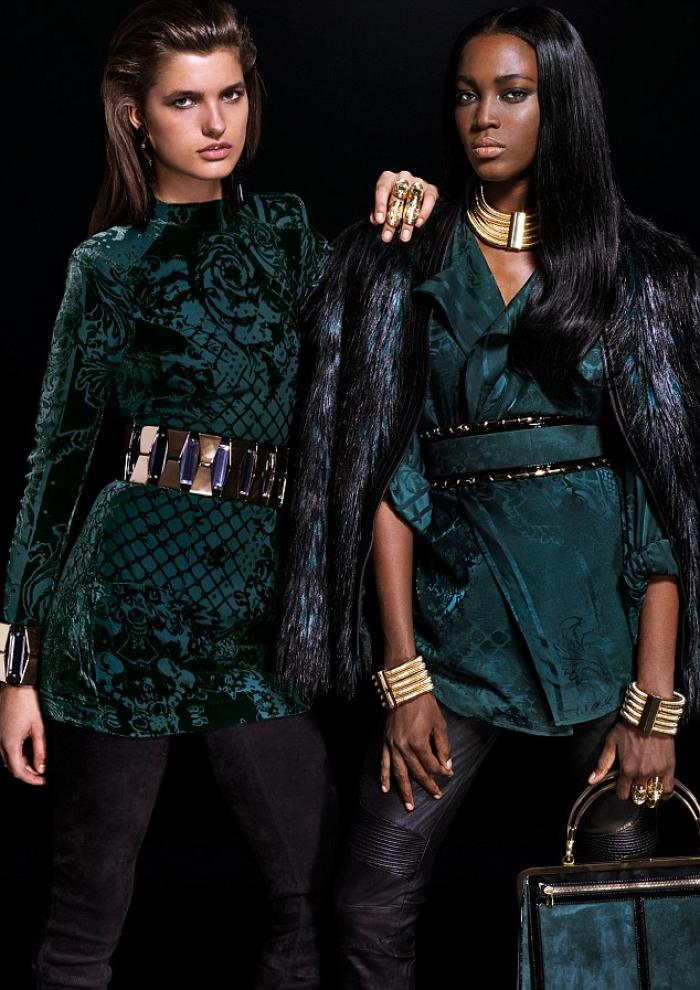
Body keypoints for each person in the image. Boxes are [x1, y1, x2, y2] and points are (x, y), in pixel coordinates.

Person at [0, 2, 437, 987]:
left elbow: (371, 347)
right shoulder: (108, 265)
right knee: (84, 924)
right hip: (122, 615)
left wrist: (408, 217)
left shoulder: (283, 234)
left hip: (253, 611)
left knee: (311, 901)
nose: (215, 123)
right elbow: (53, 467)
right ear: (136, 116)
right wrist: (15, 671)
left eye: (230, 94)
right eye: (184, 101)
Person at [277, 6, 700, 986]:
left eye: (513, 94)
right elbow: (385, 476)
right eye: (467, 94)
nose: (484, 117)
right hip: (454, 630)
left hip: (604, 640)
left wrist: (655, 705)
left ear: (563, 106)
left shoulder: (639, 272)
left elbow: (664, 498)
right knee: (368, 903)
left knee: (619, 909)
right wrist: (403, 675)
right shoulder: (402, 257)